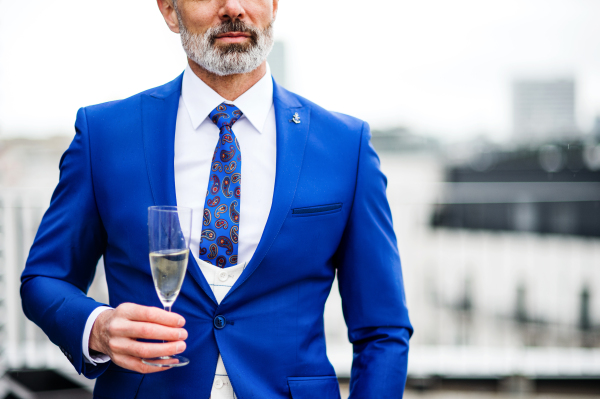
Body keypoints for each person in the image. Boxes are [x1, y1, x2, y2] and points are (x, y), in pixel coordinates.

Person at [20, 0, 413, 398]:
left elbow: (383, 330)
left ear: (275, 5)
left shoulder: (346, 146)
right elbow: (44, 278)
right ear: (170, 11)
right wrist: (98, 328)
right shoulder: (104, 134)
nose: (234, 7)